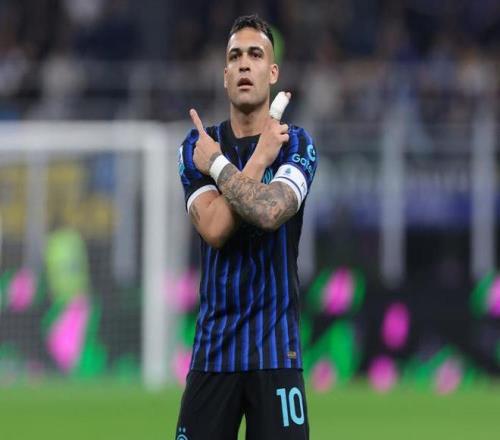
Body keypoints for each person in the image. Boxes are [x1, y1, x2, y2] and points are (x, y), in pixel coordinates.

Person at [176, 14, 317, 440]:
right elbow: (215, 228)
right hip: (214, 353)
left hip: (276, 352)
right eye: (235, 56)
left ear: (272, 72)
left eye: (255, 55)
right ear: (225, 76)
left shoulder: (295, 144)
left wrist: (219, 166)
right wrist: (255, 159)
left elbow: (271, 212)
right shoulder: (197, 145)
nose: (243, 64)